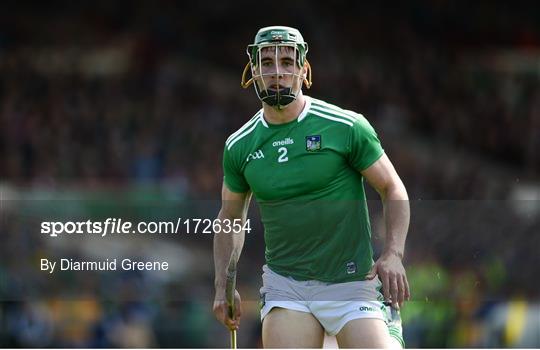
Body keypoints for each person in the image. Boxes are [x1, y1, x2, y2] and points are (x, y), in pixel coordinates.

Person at [213, 25, 410, 348]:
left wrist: (393, 254)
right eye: (267, 63)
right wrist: (223, 285)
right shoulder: (240, 145)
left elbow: (392, 188)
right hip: (287, 285)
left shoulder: (346, 126)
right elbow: (230, 217)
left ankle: (388, 323)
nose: (277, 72)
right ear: (253, 71)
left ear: (304, 70)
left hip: (351, 281)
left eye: (288, 62)